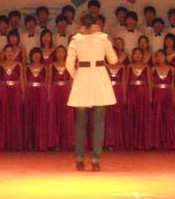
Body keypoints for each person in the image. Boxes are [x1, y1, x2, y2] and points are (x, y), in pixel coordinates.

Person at [66, 12, 118, 171]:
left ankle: (79, 159)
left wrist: (77, 76)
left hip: (83, 77)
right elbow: (113, 60)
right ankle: (95, 160)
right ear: (96, 23)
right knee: (99, 122)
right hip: (99, 78)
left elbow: (68, 65)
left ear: (81, 23)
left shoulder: (76, 39)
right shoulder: (103, 38)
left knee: (80, 123)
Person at [150, 50, 175, 149]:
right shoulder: (153, 69)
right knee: (157, 117)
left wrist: (174, 96)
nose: (159, 58)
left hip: (168, 94)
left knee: (169, 117)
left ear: (166, 57)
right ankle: (156, 142)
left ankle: (170, 140)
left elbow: (173, 83)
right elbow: (151, 84)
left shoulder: (171, 69)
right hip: (157, 94)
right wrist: (151, 96)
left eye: (161, 55)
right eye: (157, 56)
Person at [0, 45, 25, 150]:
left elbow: (22, 79)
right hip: (4, 91)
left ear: (14, 53)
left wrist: (23, 93)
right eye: (7, 51)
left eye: (11, 51)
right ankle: (4, 142)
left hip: (15, 90)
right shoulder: (0, 65)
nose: (9, 53)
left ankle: (16, 142)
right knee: (4, 114)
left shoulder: (19, 65)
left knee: (16, 114)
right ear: (4, 53)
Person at [48, 45, 74, 150]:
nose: (60, 54)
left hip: (66, 90)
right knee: (55, 115)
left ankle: (68, 142)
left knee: (67, 115)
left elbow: (72, 80)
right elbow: (49, 80)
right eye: (58, 52)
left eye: (62, 52)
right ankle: (55, 142)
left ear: (65, 53)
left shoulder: (69, 65)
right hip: (55, 91)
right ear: (55, 54)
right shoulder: (52, 65)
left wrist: (72, 93)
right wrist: (49, 94)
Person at [24, 47, 49, 150]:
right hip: (30, 92)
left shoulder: (45, 68)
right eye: (34, 54)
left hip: (41, 92)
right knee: (30, 116)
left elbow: (47, 82)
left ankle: (41, 142)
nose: (36, 56)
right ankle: (30, 143)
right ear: (31, 55)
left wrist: (48, 94)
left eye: (38, 53)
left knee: (41, 116)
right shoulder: (26, 68)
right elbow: (24, 81)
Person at [127, 48, 152, 150]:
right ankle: (132, 142)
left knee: (142, 115)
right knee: (132, 115)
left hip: (143, 92)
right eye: (135, 54)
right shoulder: (129, 67)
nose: (137, 55)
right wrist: (125, 95)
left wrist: (150, 95)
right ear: (132, 56)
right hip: (132, 92)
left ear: (143, 55)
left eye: (139, 53)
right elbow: (126, 81)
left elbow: (149, 82)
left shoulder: (146, 67)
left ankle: (143, 141)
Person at [104, 46, 126, 150]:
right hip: (106, 91)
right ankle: (107, 141)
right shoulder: (103, 66)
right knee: (107, 117)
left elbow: (124, 81)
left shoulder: (122, 67)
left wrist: (124, 95)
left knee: (118, 115)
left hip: (118, 92)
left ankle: (118, 141)